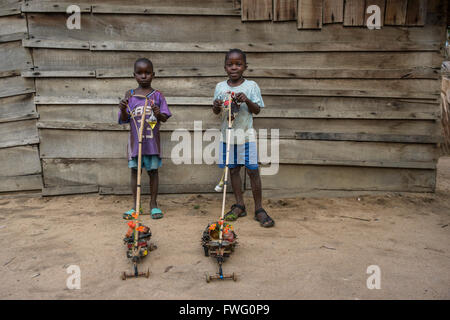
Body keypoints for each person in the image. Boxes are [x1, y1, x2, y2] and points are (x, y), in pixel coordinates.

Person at [212, 49, 275, 228]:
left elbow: (257, 110)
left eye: (238, 64)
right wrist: (216, 105)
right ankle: (240, 205)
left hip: (246, 137)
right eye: (230, 64)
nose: (234, 67)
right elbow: (217, 112)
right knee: (233, 170)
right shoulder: (220, 87)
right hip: (227, 137)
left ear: (245, 67)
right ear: (225, 67)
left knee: (253, 171)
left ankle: (259, 209)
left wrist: (246, 100)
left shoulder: (251, 86)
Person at [118, 58, 171, 220]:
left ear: (153, 75)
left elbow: (164, 118)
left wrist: (157, 112)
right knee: (135, 171)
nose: (143, 76)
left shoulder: (158, 96)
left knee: (153, 172)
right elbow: (125, 118)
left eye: (147, 73)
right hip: (135, 144)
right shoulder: (130, 95)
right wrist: (123, 108)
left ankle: (153, 205)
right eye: (140, 73)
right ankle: (136, 205)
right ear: (134, 75)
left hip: (151, 144)